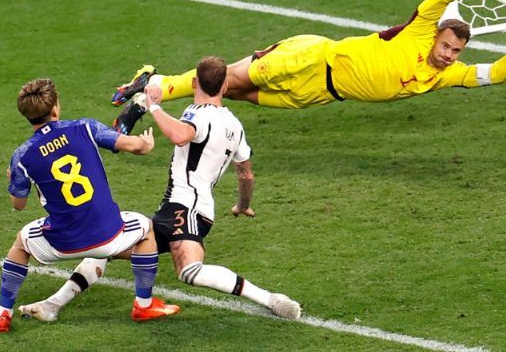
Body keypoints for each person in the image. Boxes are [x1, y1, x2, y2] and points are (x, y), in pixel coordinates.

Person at [19, 57, 302, 323]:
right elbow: (246, 174)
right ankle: (51, 305)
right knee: (106, 245)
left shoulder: (200, 115)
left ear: (193, 83)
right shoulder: (236, 127)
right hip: (184, 209)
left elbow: (181, 135)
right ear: (226, 86)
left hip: (185, 208)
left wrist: (153, 106)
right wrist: (243, 205)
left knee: (189, 271)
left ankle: (271, 300)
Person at [111, 0, 506, 133]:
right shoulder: (418, 33)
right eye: (447, 46)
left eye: (456, 52)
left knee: (235, 95)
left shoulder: (443, 75)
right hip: (311, 56)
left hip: (319, 94)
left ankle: (149, 84)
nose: (450, 56)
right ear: (436, 37)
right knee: (224, 79)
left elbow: (492, 75)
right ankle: (151, 94)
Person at [0, 78, 180, 333]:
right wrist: (146, 143)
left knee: (20, 245)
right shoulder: (83, 128)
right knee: (145, 228)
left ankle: (3, 314)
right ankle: (144, 304)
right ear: (55, 107)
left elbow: (19, 204)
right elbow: (135, 146)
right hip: (109, 234)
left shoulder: (22, 155)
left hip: (61, 243)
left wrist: (12, 179)